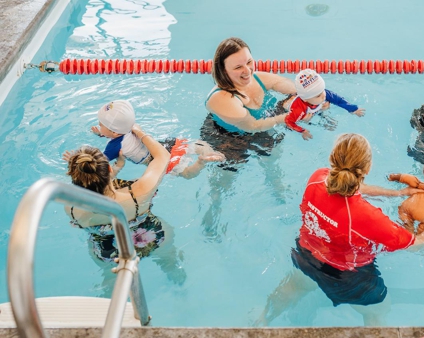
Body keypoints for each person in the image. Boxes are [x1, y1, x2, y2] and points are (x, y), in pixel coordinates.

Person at [256, 133, 424, 326]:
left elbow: (349, 187)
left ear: (333, 160)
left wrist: (397, 193)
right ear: (367, 168)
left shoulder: (318, 177)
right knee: (379, 312)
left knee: (294, 287)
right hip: (344, 276)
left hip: (305, 254)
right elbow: (418, 244)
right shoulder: (367, 217)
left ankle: (262, 317)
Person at [64, 124, 170, 262]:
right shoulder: (139, 192)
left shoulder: (71, 207)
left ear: (74, 177)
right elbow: (163, 156)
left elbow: (97, 190)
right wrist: (139, 132)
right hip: (150, 236)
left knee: (110, 279)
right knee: (169, 260)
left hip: (109, 252)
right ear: (108, 168)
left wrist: (113, 169)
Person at [202, 37, 296, 168]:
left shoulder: (258, 78)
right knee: (226, 179)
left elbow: (296, 89)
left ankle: (276, 183)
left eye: (249, 62)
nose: (247, 70)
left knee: (273, 157)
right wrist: (288, 115)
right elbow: (252, 126)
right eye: (238, 67)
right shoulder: (221, 98)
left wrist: (312, 97)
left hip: (259, 128)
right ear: (224, 70)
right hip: (226, 139)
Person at [92, 99, 224, 179]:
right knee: (197, 146)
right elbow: (120, 134)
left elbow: (97, 164)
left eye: (101, 125)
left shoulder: (113, 147)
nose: (99, 126)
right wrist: (103, 133)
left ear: (114, 132)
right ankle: (209, 152)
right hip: (166, 144)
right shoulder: (130, 125)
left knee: (187, 174)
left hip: (158, 159)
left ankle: (201, 162)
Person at [285, 69, 365, 140]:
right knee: (306, 120)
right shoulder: (298, 109)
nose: (324, 95)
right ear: (305, 99)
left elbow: (339, 100)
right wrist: (302, 130)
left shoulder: (323, 94)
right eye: (318, 95)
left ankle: (323, 120)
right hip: (296, 114)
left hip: (313, 109)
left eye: (322, 90)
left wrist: (353, 109)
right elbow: (289, 122)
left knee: (324, 110)